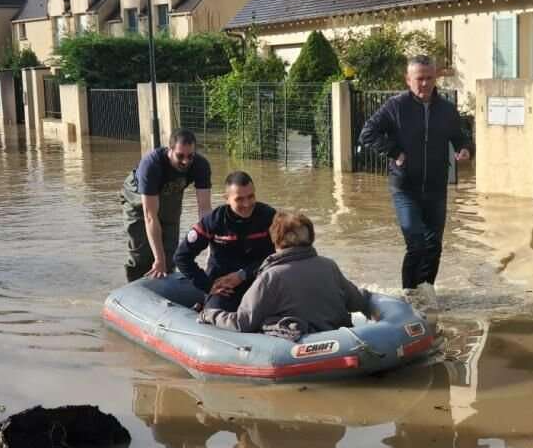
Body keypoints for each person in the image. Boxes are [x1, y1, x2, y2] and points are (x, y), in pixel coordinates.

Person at [359, 55, 471, 306]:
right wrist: (395, 152)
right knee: (416, 241)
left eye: (429, 78)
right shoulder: (395, 106)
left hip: (436, 187)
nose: (425, 84)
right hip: (405, 187)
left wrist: (465, 149)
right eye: (419, 79)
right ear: (408, 80)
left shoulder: (446, 109)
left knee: (434, 244)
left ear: (435, 78)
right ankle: (409, 294)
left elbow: (461, 135)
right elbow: (367, 133)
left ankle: (426, 289)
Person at [199, 212, 370, 336]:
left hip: (300, 346)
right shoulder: (329, 265)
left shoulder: (271, 276)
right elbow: (357, 302)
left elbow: (243, 323)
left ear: (276, 240)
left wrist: (211, 314)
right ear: (310, 237)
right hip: (338, 337)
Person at [174, 171, 276, 312]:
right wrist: (208, 286)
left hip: (259, 280)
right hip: (225, 288)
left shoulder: (269, 217)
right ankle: (204, 306)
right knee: (216, 316)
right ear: (226, 198)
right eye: (239, 199)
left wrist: (243, 274)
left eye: (251, 196)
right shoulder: (213, 222)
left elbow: (282, 255)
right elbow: (181, 257)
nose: (247, 204)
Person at [121, 129, 212, 282]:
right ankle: (134, 291)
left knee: (170, 258)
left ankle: (163, 294)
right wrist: (158, 258)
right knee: (141, 256)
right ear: (169, 150)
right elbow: (150, 217)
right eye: (180, 156)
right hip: (138, 200)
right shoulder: (151, 165)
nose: (185, 161)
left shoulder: (201, 165)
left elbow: (205, 210)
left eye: (190, 156)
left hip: (171, 197)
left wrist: (212, 249)